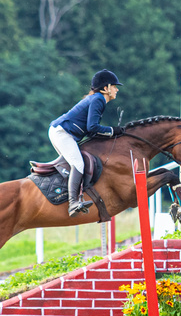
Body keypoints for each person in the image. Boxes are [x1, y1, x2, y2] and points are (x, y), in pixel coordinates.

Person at [49, 69, 125, 216]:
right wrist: (112, 130)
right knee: (78, 164)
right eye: (114, 86)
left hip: (61, 131)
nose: (116, 89)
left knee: (74, 164)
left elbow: (90, 130)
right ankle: (72, 203)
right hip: (62, 133)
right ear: (105, 88)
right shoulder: (98, 99)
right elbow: (92, 127)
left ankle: (64, 194)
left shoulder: (97, 99)